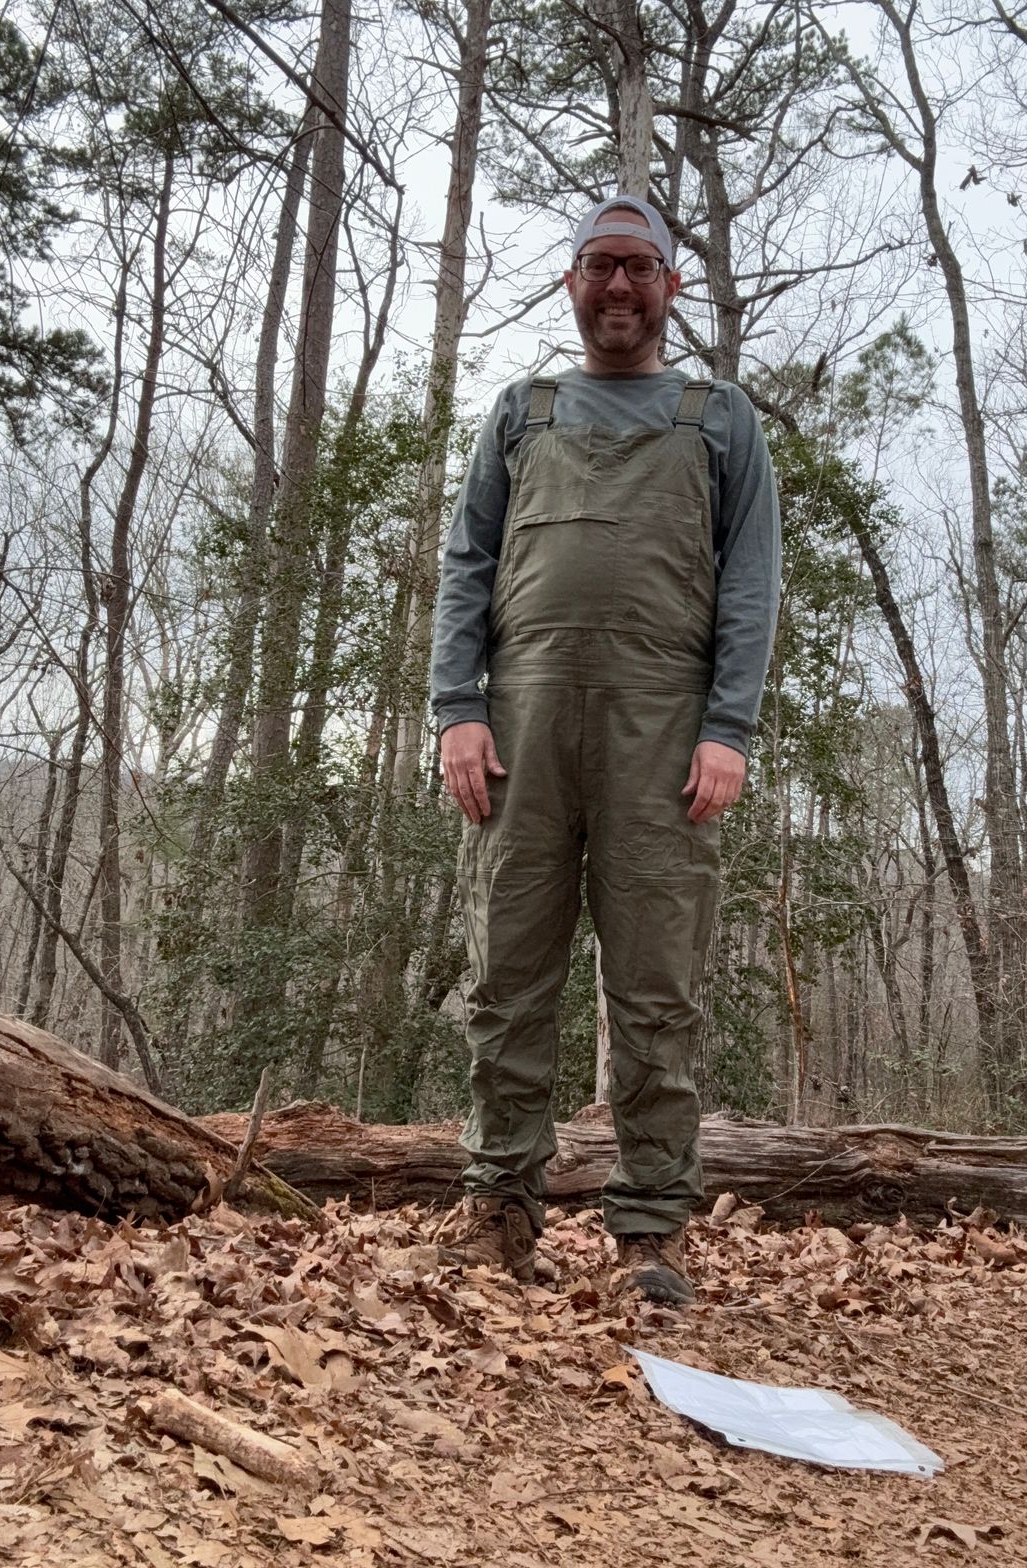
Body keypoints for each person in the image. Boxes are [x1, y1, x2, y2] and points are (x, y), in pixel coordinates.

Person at [430, 195, 781, 1306]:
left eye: (638, 266)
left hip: (666, 730)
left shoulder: (718, 418)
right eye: (599, 266)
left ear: (670, 284)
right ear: (571, 282)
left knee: (656, 985)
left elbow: (752, 581)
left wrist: (727, 728)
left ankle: (650, 1233)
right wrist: (456, 706)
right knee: (507, 973)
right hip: (521, 725)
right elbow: (466, 562)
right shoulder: (521, 411)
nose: (618, 286)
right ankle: (499, 1207)